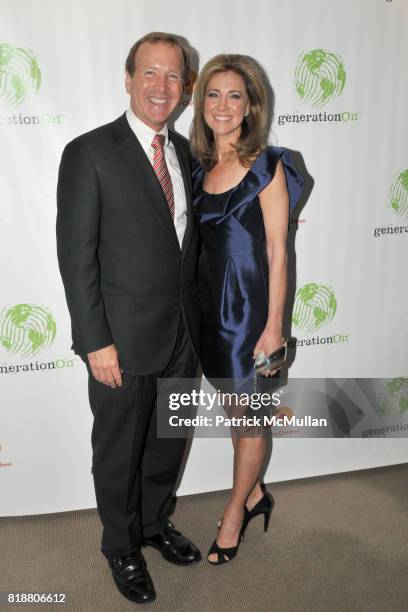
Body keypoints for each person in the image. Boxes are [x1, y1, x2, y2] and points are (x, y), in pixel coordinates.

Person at [56, 32, 202, 604]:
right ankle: (120, 544)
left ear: (184, 87)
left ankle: (152, 523)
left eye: (173, 76)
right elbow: (76, 256)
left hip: (184, 335)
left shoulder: (187, 152)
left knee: (169, 440)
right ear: (128, 79)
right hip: (120, 337)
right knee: (119, 449)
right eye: (150, 74)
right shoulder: (89, 152)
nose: (161, 87)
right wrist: (95, 341)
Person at [190, 54, 304, 564]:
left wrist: (273, 327)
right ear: (201, 103)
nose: (223, 105)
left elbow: (279, 250)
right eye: (213, 94)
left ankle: (236, 511)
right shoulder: (197, 167)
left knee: (251, 416)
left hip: (251, 313)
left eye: (234, 95)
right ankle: (256, 493)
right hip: (208, 308)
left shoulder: (268, 165)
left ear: (250, 105)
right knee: (236, 411)